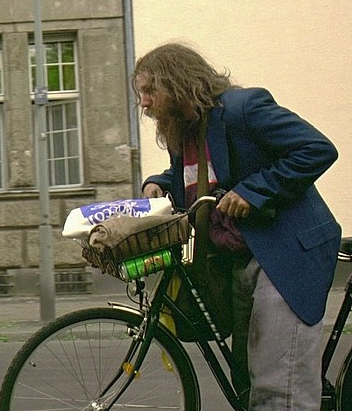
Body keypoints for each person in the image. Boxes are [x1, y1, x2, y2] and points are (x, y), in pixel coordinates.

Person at [133, 43, 341, 410]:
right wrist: (160, 182)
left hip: (286, 250)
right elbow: (204, 175)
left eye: (150, 90)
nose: (144, 102)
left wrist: (254, 191)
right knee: (248, 381)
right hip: (241, 256)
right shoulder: (186, 131)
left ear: (179, 82)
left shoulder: (244, 108)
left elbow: (316, 149)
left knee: (279, 388)